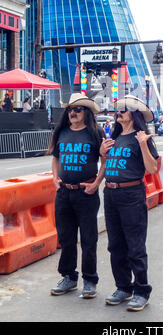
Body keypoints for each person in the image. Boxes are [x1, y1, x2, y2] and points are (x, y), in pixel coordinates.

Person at [100, 95, 159, 312]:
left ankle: (141, 291)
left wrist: (143, 145)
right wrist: (102, 154)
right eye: (119, 110)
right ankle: (123, 288)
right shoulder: (115, 136)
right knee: (115, 244)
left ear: (134, 115)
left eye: (124, 110)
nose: (119, 112)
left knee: (135, 245)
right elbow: (107, 165)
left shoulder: (141, 137)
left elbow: (152, 169)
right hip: (111, 194)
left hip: (131, 194)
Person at [48, 93, 106, 299]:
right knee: (66, 238)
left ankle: (90, 280)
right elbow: (56, 159)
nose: (72, 113)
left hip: (86, 193)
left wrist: (97, 183)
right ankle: (69, 277)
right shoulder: (61, 131)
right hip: (64, 192)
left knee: (89, 238)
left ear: (86, 112)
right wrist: (55, 179)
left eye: (77, 109)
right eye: (70, 109)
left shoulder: (95, 133)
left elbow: (106, 159)